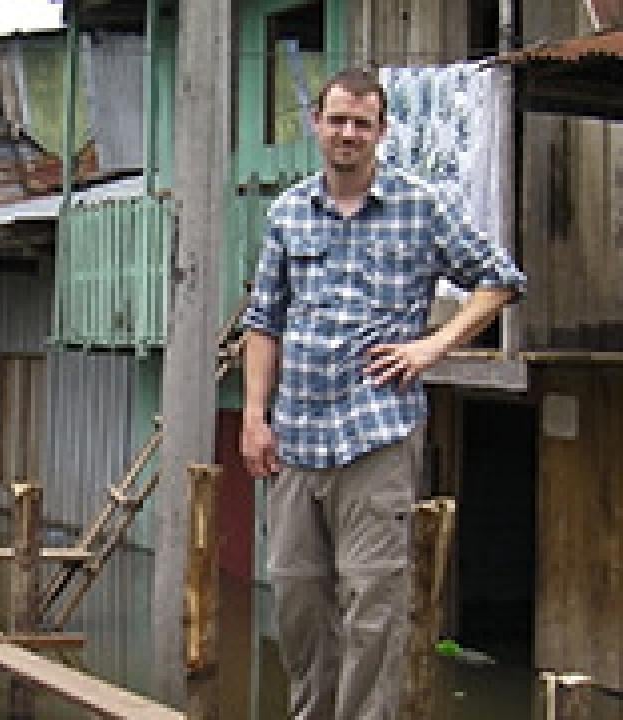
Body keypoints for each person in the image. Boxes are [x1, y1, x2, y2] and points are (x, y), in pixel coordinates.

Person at [239, 68, 526, 720]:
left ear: (382, 132)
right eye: (337, 119)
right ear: (316, 123)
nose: (348, 133)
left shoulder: (420, 206)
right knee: (297, 600)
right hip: (295, 439)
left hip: (377, 434)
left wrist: (434, 345)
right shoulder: (288, 211)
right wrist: (254, 416)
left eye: (361, 123)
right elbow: (264, 321)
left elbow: (500, 280)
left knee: (373, 609)